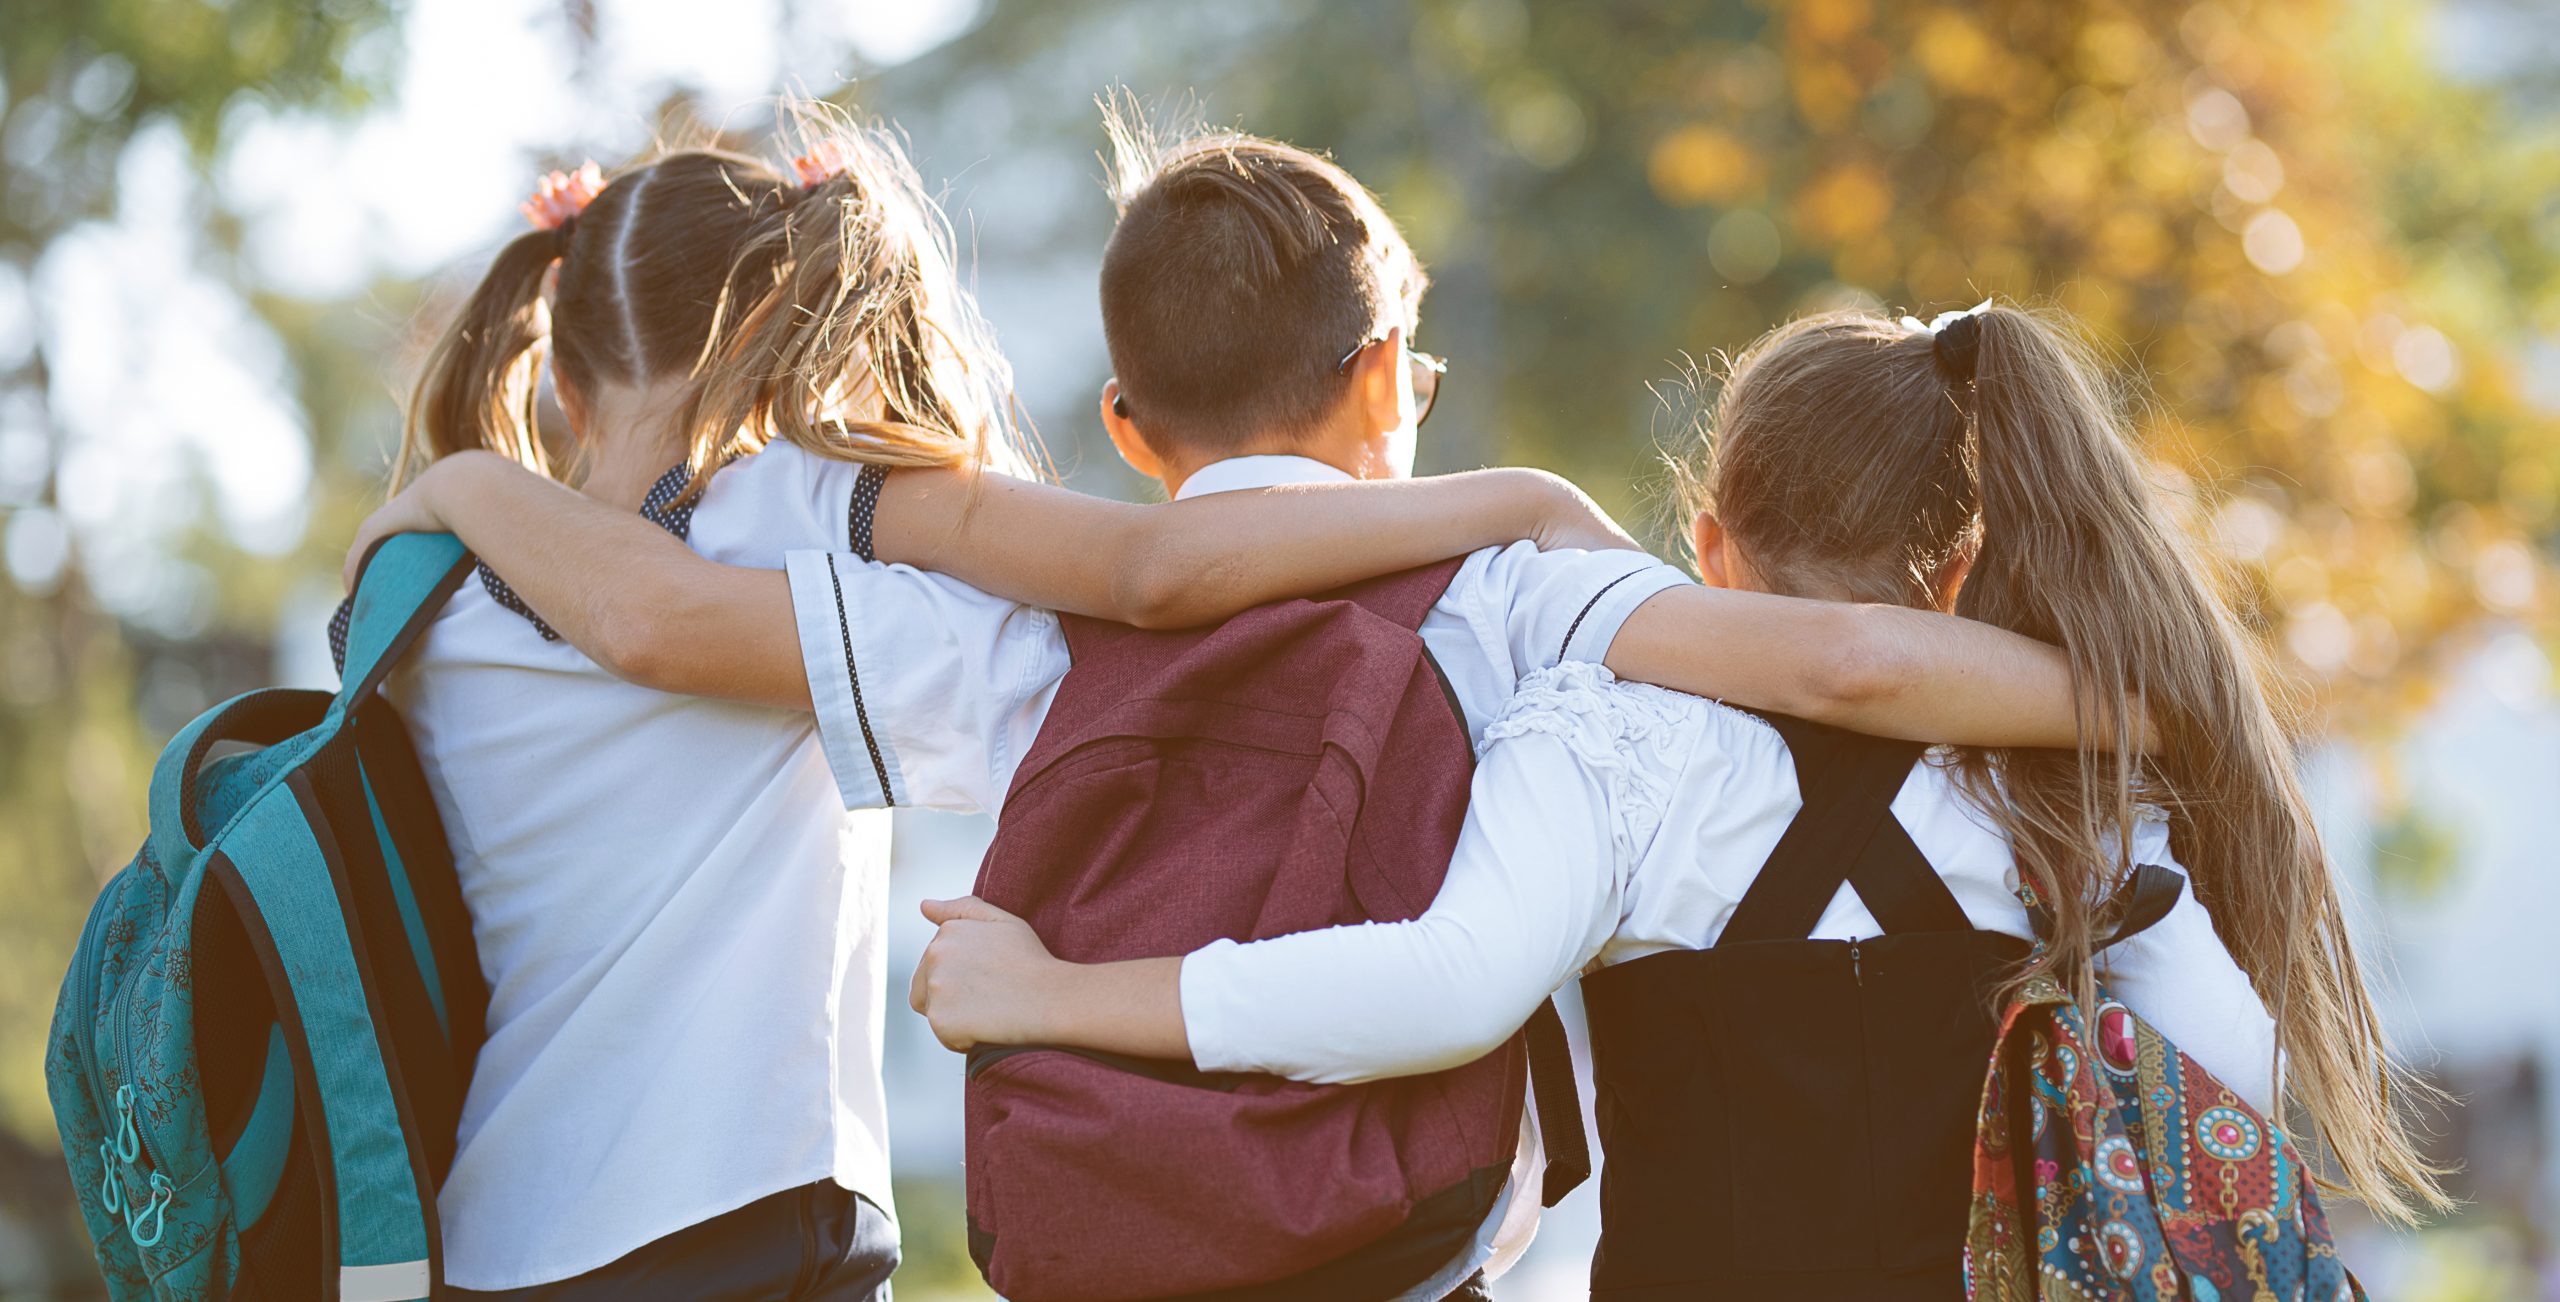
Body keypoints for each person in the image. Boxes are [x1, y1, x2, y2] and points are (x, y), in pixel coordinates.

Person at [353, 118, 2134, 1298]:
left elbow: (686, 623)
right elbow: (1835, 663)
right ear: (1386, 381)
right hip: (1420, 1240)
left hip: (1114, 1230)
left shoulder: (1007, 646)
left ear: (1127, 426)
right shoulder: (1518, 592)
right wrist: (2150, 703)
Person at [908, 304, 2454, 1296]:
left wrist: (1057, 993)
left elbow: (1437, 989)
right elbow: (2228, 1072)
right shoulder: (2067, 784)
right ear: (1967, 566)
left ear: (1709, 547)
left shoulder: (1611, 744)